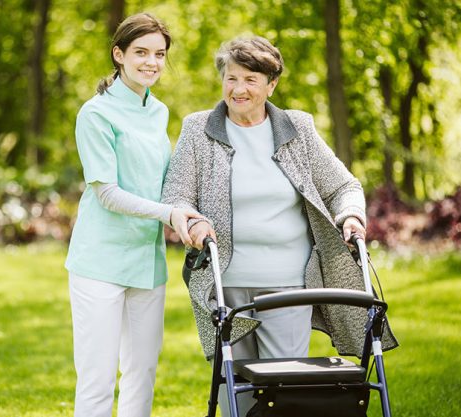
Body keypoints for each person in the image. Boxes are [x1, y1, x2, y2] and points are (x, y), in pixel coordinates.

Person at [162, 36, 397, 415]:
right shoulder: (198, 129)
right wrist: (192, 222)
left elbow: (343, 186)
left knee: (284, 389)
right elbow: (177, 195)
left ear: (272, 84)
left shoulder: (296, 128)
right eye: (231, 78)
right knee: (233, 391)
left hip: (289, 284)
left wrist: (351, 214)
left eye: (250, 80)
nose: (238, 89)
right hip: (223, 284)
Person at [64, 13, 204, 417]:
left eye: (159, 54)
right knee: (98, 378)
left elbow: (165, 184)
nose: (151, 62)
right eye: (141, 52)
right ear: (119, 54)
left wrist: (188, 212)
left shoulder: (158, 111)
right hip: (100, 263)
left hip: (147, 261)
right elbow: (107, 193)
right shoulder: (95, 114)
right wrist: (170, 213)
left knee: (142, 372)